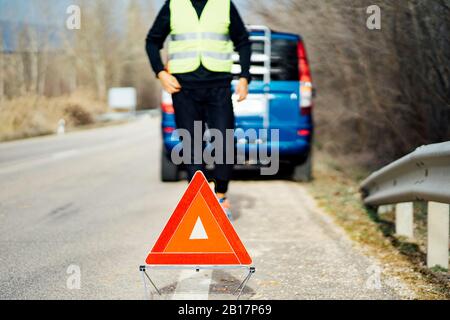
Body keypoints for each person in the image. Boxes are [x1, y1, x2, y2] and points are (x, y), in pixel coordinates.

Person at [146, 0, 251, 217]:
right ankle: (201, 199)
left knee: (224, 142)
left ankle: (220, 194)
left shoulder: (224, 5)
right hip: (183, 88)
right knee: (192, 145)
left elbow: (243, 41)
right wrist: (161, 73)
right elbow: (152, 41)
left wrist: (244, 77)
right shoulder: (174, 5)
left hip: (218, 86)